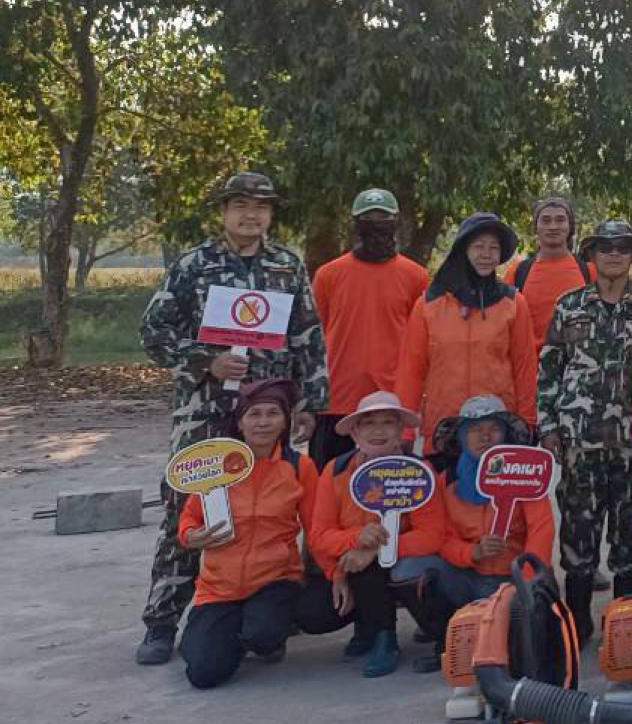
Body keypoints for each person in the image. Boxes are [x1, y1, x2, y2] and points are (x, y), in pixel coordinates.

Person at [135, 171, 328, 667]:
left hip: (267, 413)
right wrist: (206, 360)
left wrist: (310, 403)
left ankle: (266, 613)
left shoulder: (287, 265)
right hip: (205, 412)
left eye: (261, 207)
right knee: (188, 507)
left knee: (270, 507)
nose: (251, 215)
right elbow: (153, 331)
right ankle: (162, 621)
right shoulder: (194, 264)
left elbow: (308, 336)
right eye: (240, 205)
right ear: (223, 212)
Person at [538, 220, 632, 640]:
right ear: (591, 255)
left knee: (631, 535)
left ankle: (624, 624)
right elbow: (550, 369)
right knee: (578, 533)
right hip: (580, 440)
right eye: (605, 247)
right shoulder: (569, 305)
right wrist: (549, 426)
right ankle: (578, 621)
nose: (614, 254)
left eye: (623, 247)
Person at [395, 395, 555, 672]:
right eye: (475, 429)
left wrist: (526, 581)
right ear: (461, 437)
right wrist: (472, 552)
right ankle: (447, 643)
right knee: (408, 570)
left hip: (514, 580)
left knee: (523, 649)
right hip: (466, 577)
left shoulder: (525, 475)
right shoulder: (445, 481)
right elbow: (440, 537)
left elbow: (542, 530)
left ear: (507, 435)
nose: (485, 437)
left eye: (494, 428)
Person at [175, 379, 317, 689]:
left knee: (263, 634)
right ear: (239, 422)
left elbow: (316, 527)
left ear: (286, 421)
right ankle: (224, 635)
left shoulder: (299, 467)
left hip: (275, 579)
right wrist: (191, 536)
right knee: (203, 674)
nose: (263, 422)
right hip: (219, 586)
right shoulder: (215, 466)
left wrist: (335, 575)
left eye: (273, 414)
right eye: (254, 414)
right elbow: (189, 518)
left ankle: (262, 634)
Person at [299, 391, 445, 677]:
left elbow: (432, 535)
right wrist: (348, 554)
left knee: (384, 566)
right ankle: (366, 624)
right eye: (368, 423)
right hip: (351, 561)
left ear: (400, 430)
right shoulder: (335, 470)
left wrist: (376, 548)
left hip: (400, 561)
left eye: (388, 422)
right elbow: (319, 536)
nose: (378, 431)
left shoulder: (420, 470)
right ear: (354, 432)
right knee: (312, 613)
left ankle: (385, 637)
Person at [310, 189, 430, 467]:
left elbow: (421, 345)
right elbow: (315, 338)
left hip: (392, 403)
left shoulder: (417, 276)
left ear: (396, 222)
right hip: (337, 400)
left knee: (390, 485)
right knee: (330, 480)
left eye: (383, 217)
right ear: (355, 224)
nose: (376, 224)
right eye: (368, 218)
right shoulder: (328, 275)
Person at [395, 213, 538, 439]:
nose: (486, 254)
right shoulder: (428, 304)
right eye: (479, 247)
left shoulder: (514, 303)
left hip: (497, 427)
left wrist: (527, 423)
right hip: (444, 427)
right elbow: (411, 371)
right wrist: (404, 433)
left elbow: (525, 368)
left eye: (493, 248)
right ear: (463, 250)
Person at [512, 197, 594, 339]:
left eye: (560, 220)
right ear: (536, 227)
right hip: (531, 353)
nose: (553, 226)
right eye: (546, 220)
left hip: (577, 352)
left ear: (570, 227)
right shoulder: (518, 272)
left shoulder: (589, 271)